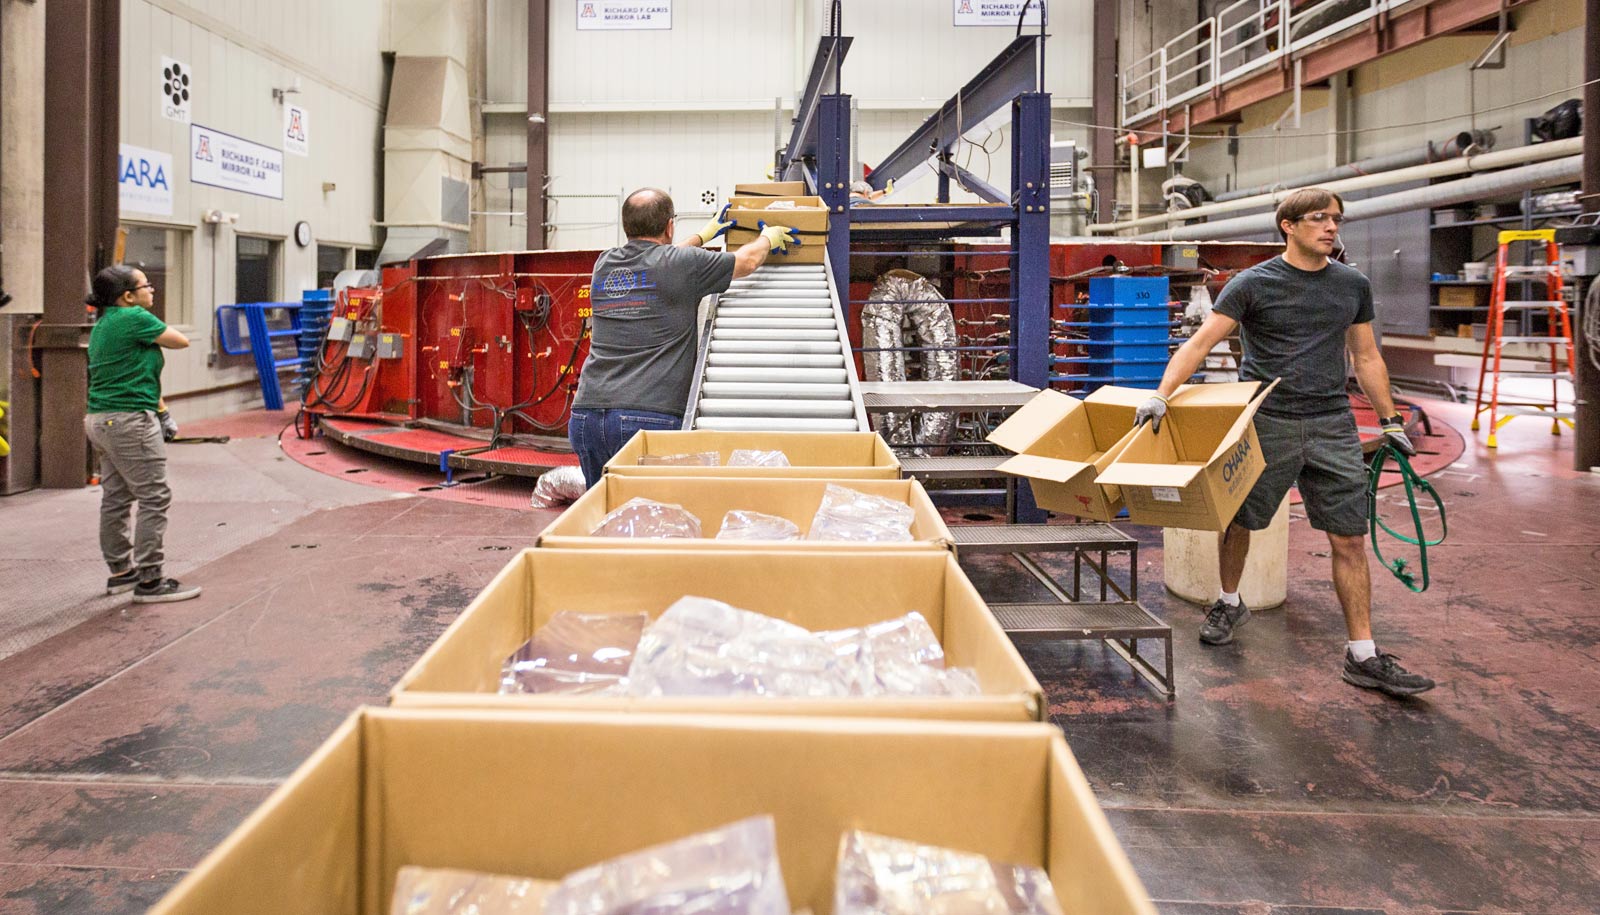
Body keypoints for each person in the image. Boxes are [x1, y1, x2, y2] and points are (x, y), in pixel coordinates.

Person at [1134, 187, 1435, 697]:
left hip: (1331, 422)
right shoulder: (1253, 284)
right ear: (1288, 226)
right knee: (1240, 519)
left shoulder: (1352, 285)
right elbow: (1200, 342)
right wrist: (1162, 396)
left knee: (1347, 536)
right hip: (1266, 420)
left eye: (1337, 219)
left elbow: (1365, 357)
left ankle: (1362, 654)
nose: (1331, 227)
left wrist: (1389, 420)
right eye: (1320, 218)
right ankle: (1229, 602)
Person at [567, 188, 798, 486]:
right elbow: (747, 262)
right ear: (669, 226)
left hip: (587, 414)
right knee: (653, 516)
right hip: (647, 417)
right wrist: (768, 237)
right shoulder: (682, 265)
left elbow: (661, 259)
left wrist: (703, 236)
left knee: (604, 511)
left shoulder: (605, 264)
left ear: (626, 225)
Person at [84, 265, 201, 603]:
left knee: (117, 498)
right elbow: (180, 341)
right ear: (128, 296)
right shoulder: (133, 318)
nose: (152, 290)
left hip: (102, 419)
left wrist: (162, 413)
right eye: (146, 286)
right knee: (154, 496)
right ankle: (150, 580)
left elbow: (135, 375)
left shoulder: (105, 323)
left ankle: (121, 572)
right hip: (129, 421)